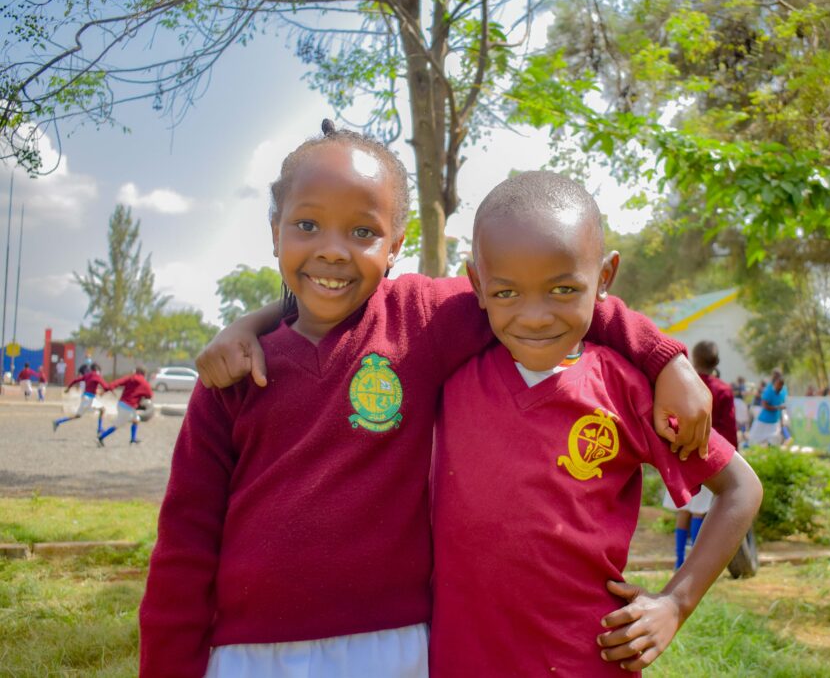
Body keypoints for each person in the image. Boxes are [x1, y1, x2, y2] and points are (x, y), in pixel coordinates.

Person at [139, 122, 714, 677]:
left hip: (394, 647)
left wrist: (664, 357)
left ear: (396, 245)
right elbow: (184, 545)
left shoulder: (420, 319)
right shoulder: (233, 372)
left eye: (363, 232)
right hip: (248, 654)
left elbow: (543, 291)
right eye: (307, 225)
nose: (333, 251)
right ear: (274, 234)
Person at [430, 173, 760, 676]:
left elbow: (740, 487)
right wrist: (260, 322)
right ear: (476, 284)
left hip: (591, 659)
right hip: (461, 661)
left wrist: (676, 602)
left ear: (605, 277)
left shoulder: (627, 390)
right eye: (507, 293)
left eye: (563, 289)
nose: (536, 316)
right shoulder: (447, 377)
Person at [662, 340, 738, 568]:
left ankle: (678, 560)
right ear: (716, 362)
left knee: (683, 510)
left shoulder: (684, 384)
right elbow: (728, 427)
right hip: (708, 457)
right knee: (699, 512)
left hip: (682, 455)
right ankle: (693, 564)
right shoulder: (723, 390)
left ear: (693, 359)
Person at [98, 366, 153, 446]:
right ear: (144, 374)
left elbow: (116, 383)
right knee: (117, 424)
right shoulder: (145, 383)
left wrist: (107, 389)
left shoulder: (130, 378)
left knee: (136, 420)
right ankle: (101, 437)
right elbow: (150, 395)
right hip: (128, 407)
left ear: (136, 371)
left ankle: (133, 439)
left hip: (122, 404)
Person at [53, 363, 110, 433]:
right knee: (102, 410)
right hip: (90, 399)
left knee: (78, 415)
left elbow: (75, 381)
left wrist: (68, 388)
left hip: (85, 397)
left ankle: (58, 421)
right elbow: (106, 387)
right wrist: (103, 392)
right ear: (97, 370)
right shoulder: (97, 376)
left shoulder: (87, 375)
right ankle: (100, 428)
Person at [749, 373, 787, 446]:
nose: (780, 387)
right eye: (779, 385)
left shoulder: (782, 393)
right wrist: (777, 407)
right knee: (753, 441)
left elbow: (782, 407)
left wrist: (781, 423)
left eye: (781, 385)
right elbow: (764, 405)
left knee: (774, 442)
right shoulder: (769, 391)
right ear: (775, 383)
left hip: (774, 423)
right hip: (763, 422)